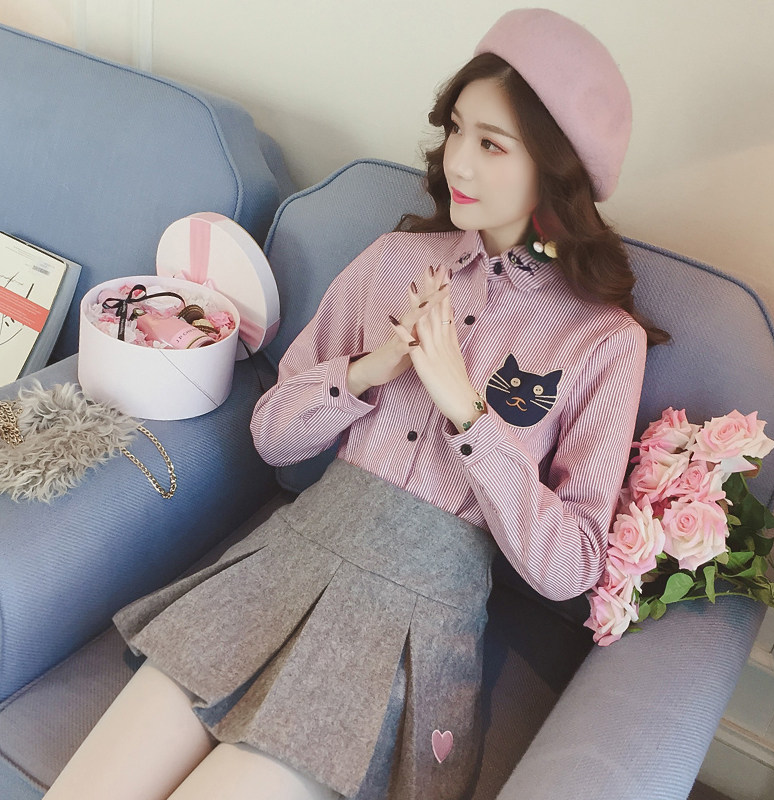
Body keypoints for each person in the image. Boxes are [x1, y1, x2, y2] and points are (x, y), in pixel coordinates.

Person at [44, 8, 667, 800]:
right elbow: (273, 435)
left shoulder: (602, 340)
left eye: (492, 144)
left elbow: (571, 566)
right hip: (286, 560)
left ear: (556, 167)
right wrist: (371, 369)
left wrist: (467, 413)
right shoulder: (395, 260)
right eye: (457, 130)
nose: (458, 161)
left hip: (408, 623)